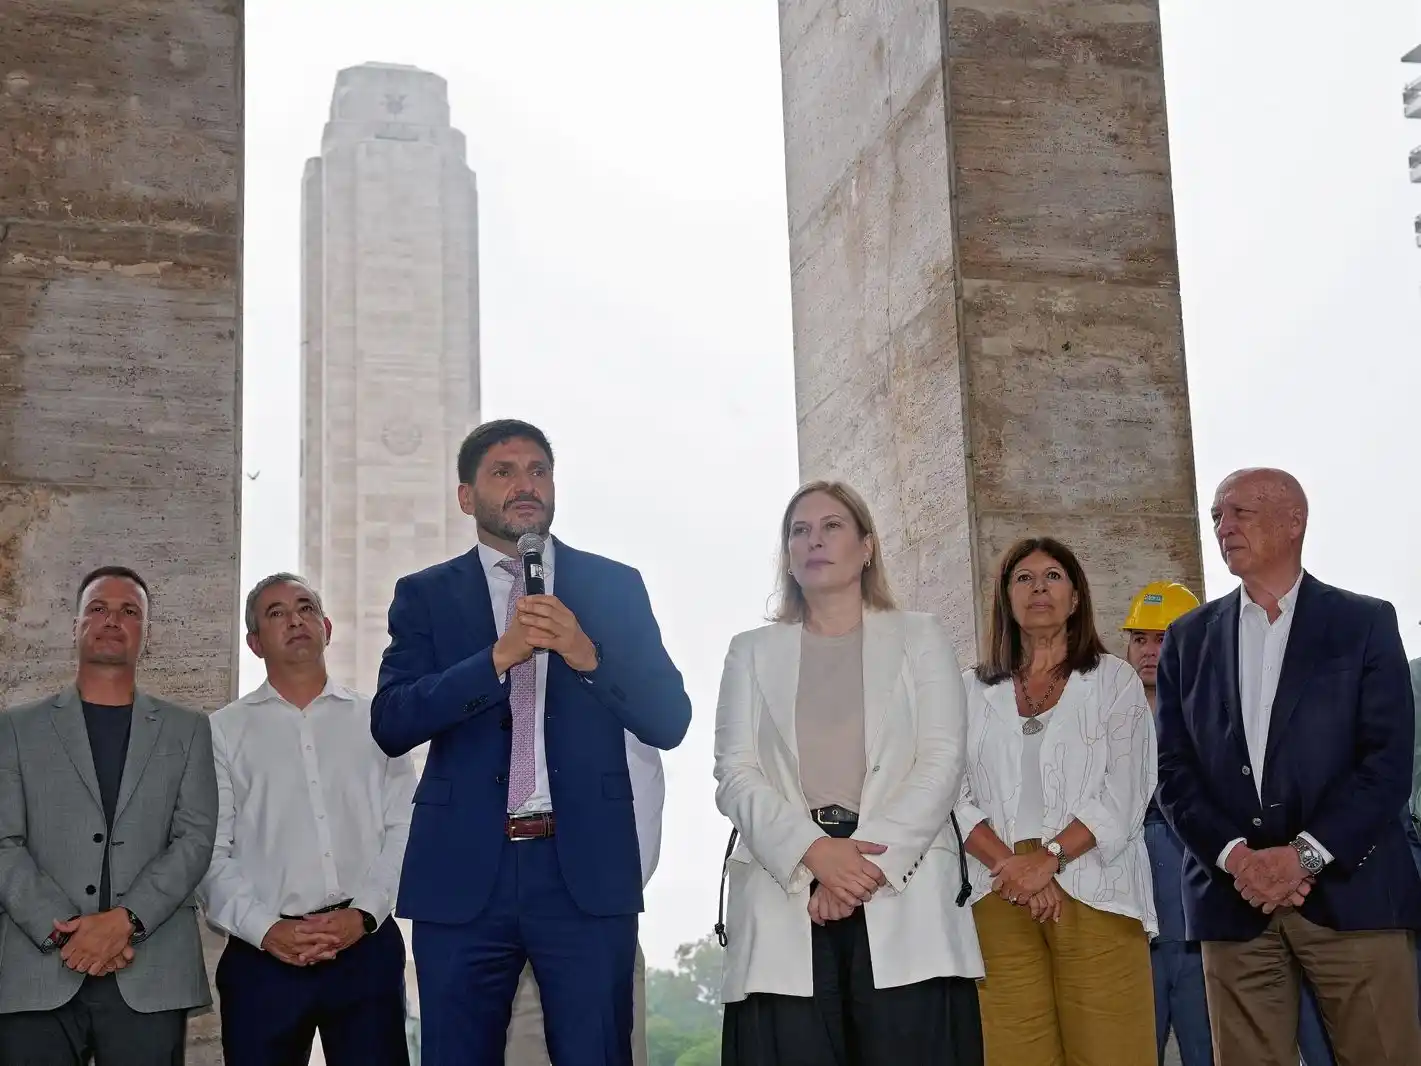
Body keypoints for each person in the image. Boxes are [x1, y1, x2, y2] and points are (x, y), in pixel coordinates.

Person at [371, 418, 692, 1066]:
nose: (526, 485)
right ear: (466, 496)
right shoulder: (425, 595)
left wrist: (585, 653)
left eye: (538, 470)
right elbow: (392, 722)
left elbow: (668, 719)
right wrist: (495, 658)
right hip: (463, 873)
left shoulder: (612, 585)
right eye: (504, 471)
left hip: (582, 870)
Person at [713, 480, 984, 1066]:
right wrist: (813, 852)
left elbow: (941, 762)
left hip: (899, 884)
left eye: (832, 526)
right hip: (783, 886)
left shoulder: (921, 637)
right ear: (787, 555)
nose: (814, 540)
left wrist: (859, 871)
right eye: (799, 530)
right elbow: (734, 773)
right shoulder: (750, 651)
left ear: (866, 547)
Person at [1155, 467, 1421, 1065]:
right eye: (1217, 516)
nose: (1223, 527)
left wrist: (1302, 856)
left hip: (1353, 898)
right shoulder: (1186, 639)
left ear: (1294, 521)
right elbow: (1174, 771)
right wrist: (1238, 859)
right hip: (1232, 900)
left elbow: (1385, 764)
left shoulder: (1364, 623)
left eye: (1239, 512)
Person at [0, 566, 218, 1065]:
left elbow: (195, 839)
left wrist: (126, 921)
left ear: (145, 633)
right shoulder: (14, 729)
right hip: (37, 973)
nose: (112, 619)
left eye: (129, 611)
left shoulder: (188, 731)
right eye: (98, 608)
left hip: (151, 969)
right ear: (75, 625)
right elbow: (3, 842)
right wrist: (65, 933)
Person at [199, 573, 417, 1066]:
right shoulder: (221, 731)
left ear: (327, 626)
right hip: (262, 958)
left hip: (365, 948)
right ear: (255, 643)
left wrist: (361, 915)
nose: (295, 619)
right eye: (276, 613)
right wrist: (266, 929)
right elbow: (209, 852)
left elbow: (405, 829)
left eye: (305, 607)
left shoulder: (378, 720)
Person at [957, 537, 1157, 1066]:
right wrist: (1013, 867)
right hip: (996, 885)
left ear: (1075, 598)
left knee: (1112, 1050)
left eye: (1052, 576)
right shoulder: (969, 690)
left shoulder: (1114, 680)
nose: (1038, 587)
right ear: (1005, 599)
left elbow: (1127, 787)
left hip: (1095, 882)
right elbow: (949, 793)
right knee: (1012, 1052)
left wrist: (1049, 861)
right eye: (1023, 578)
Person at [1124, 581, 1337, 1066]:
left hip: (1233, 893)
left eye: (1162, 638)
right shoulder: (1112, 713)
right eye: (1140, 639)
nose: (1151, 651)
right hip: (1146, 909)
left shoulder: (1227, 706)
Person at [505, 734, 662, 1066]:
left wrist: (600, 903)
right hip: (496, 932)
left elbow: (641, 798)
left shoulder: (613, 687)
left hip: (594, 924)